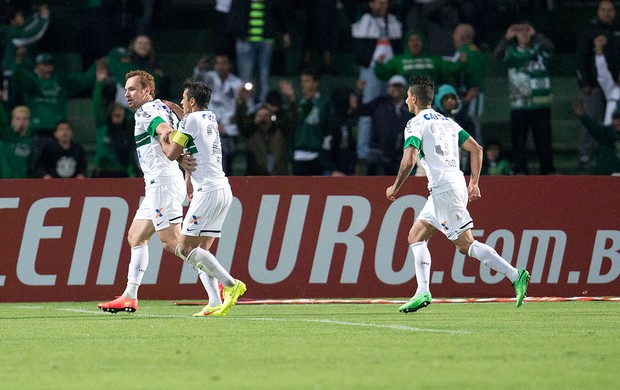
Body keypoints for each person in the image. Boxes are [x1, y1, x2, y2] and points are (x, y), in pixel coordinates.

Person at [386, 76, 530, 313]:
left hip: (444, 189)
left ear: (413, 98)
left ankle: (516, 275)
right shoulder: (448, 122)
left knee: (465, 245)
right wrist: (473, 183)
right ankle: (422, 291)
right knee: (416, 236)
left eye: (407, 97)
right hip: (451, 185)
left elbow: (409, 159)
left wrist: (395, 187)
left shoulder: (415, 124)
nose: (406, 101)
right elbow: (477, 149)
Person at [97, 70, 188, 313]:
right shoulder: (163, 106)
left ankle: (222, 282)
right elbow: (176, 124)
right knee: (136, 236)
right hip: (161, 183)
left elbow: (163, 129)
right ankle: (130, 295)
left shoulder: (147, 111)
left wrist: (167, 134)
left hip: (163, 185)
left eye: (132, 89)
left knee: (172, 244)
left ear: (147, 91)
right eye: (126, 89)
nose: (127, 94)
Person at [160, 78, 246, 316]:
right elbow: (193, 140)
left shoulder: (190, 120)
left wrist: (163, 135)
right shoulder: (210, 117)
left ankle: (231, 284)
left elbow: (171, 154)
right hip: (222, 190)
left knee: (186, 248)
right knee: (201, 252)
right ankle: (214, 301)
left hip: (208, 192)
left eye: (184, 99)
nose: (181, 102)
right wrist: (179, 112)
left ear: (193, 101)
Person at [494, 22, 556, 175]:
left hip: (540, 104)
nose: (524, 34)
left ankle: (547, 170)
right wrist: (506, 38)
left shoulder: (539, 50)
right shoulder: (511, 52)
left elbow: (550, 47)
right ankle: (520, 170)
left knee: (543, 140)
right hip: (520, 104)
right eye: (520, 32)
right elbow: (497, 54)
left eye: (526, 31)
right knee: (519, 140)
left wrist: (536, 34)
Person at [351, 0, 403, 174]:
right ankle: (363, 153)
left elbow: (397, 45)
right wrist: (369, 63)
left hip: (390, 71)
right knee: (367, 111)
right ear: (371, 4)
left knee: (391, 110)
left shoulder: (393, 21)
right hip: (371, 71)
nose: (383, 6)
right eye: (379, 3)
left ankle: (388, 149)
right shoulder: (365, 20)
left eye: (385, 3)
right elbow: (359, 48)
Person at [575, 0, 620, 168]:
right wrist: (583, 82)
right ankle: (585, 153)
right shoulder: (589, 31)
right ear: (598, 12)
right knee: (591, 119)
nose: (606, 13)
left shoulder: (617, 31)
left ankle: (610, 154)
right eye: (603, 10)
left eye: (610, 10)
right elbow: (580, 58)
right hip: (595, 84)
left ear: (614, 12)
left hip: (615, 85)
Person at [226, 0, 291, 107]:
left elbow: (278, 12)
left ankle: (263, 106)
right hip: (245, 40)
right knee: (245, 76)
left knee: (264, 76)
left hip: (265, 40)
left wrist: (285, 32)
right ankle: (247, 107)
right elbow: (235, 15)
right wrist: (237, 33)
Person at [193, 53, 244, 176]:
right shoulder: (208, 78)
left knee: (227, 161)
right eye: (218, 63)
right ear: (214, 65)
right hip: (210, 124)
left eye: (224, 63)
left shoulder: (237, 83)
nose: (221, 66)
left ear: (229, 65)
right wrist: (200, 68)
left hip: (229, 127)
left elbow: (241, 105)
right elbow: (196, 80)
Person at [355, 74, 411, 176]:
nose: (396, 89)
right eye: (394, 86)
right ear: (389, 88)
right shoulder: (379, 104)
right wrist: (359, 93)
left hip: (399, 156)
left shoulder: (410, 108)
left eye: (400, 86)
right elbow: (360, 110)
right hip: (378, 153)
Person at [281, 68, 331, 176]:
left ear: (316, 83)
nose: (303, 84)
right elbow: (290, 122)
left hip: (317, 154)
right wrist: (292, 99)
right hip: (299, 154)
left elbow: (327, 127)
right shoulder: (297, 103)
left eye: (307, 80)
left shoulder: (323, 104)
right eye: (302, 81)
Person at [91, 63, 137, 178]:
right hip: (101, 173)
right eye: (115, 110)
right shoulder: (103, 126)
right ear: (110, 114)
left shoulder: (129, 130)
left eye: (120, 110)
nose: (118, 112)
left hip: (122, 174)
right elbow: (97, 105)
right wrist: (99, 84)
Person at [0, 3, 50, 107]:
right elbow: (31, 34)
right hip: (11, 75)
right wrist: (44, 18)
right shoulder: (11, 32)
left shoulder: (14, 29)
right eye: (19, 16)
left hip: (19, 74)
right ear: (12, 20)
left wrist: (37, 16)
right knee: (10, 105)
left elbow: (27, 25)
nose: (22, 18)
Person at [448, 23, 485, 147]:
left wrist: (472, 89)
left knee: (472, 125)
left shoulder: (466, 51)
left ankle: (477, 161)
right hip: (470, 94)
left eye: (455, 34)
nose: (453, 37)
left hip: (471, 95)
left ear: (463, 37)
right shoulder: (474, 50)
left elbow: (473, 73)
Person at [572, 100, 620, 175]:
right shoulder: (608, 132)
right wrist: (584, 117)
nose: (618, 122)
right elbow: (597, 130)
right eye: (616, 118)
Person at [0, 105, 31, 178]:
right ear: (12, 121)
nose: (21, 122)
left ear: (29, 122)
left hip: (26, 183)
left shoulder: (33, 140)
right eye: (18, 119)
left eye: (25, 119)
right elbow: (1, 121)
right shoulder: (5, 136)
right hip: (7, 182)